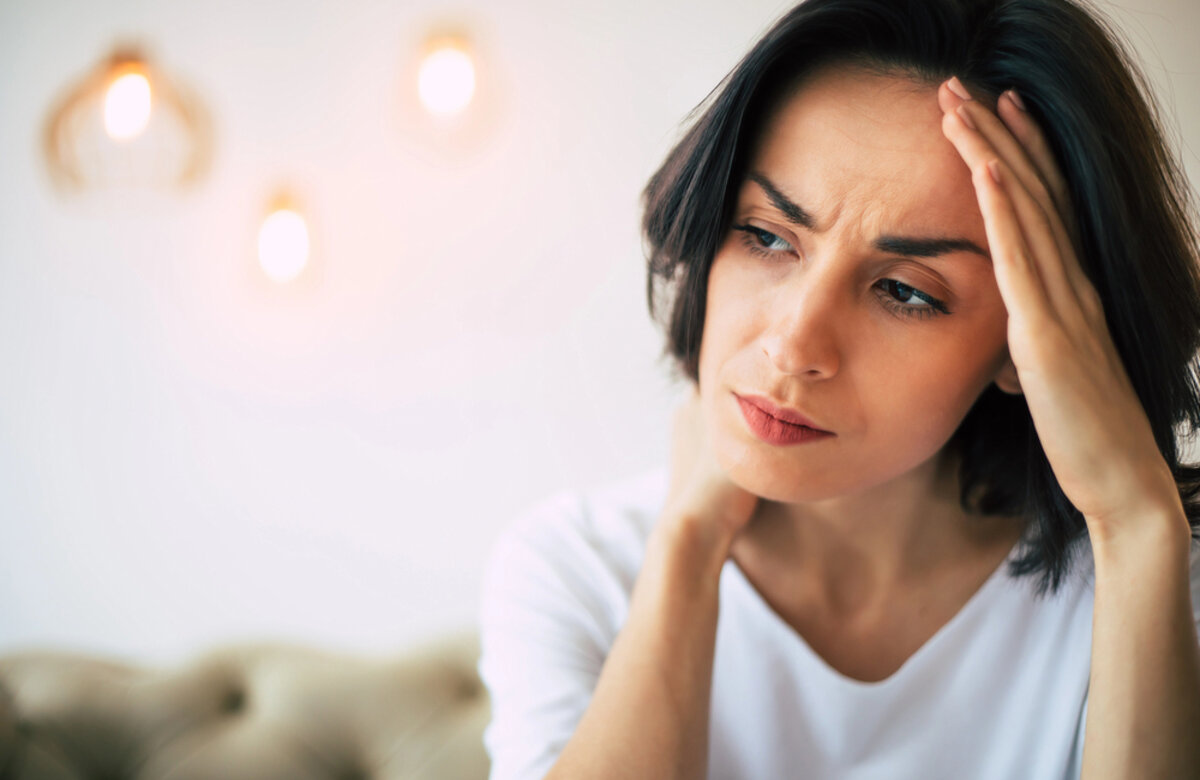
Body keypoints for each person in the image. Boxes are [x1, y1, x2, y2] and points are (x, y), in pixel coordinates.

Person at [478, 0, 1200, 777]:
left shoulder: (1151, 584)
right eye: (766, 236)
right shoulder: (574, 572)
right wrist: (687, 548)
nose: (793, 347)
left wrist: (1134, 524)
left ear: (1035, 339)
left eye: (904, 291)